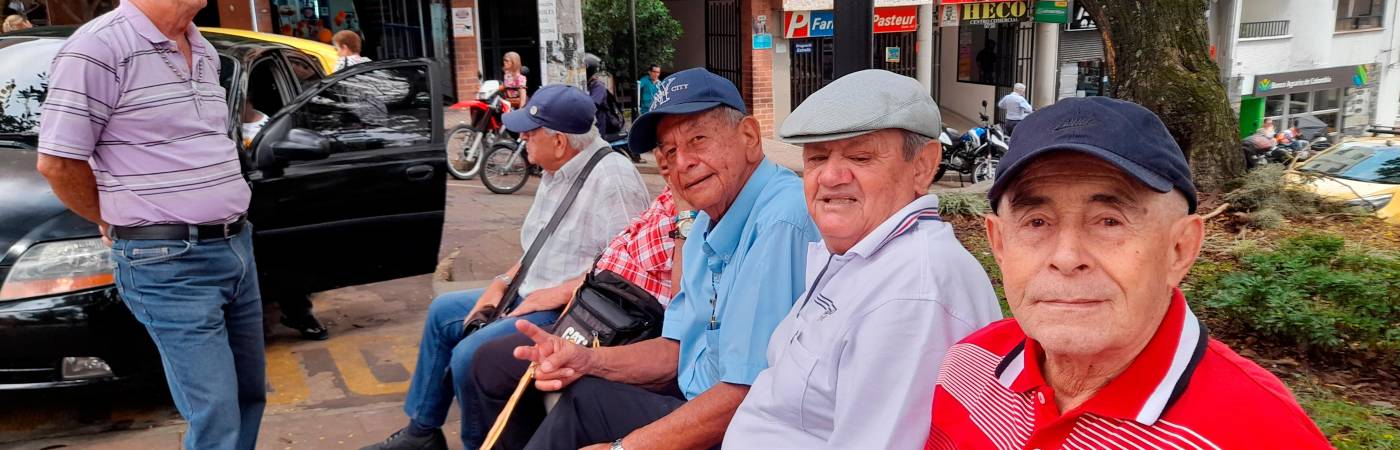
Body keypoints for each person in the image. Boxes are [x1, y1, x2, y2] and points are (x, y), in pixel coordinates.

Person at [924, 97, 1331, 449]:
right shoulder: (967, 365)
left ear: (1180, 249)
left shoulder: (1262, 434)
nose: (1066, 257)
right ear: (998, 242)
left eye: (1109, 221)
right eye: (1036, 222)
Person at [509, 68, 821, 450]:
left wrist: (623, 449)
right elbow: (675, 351)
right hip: (701, 400)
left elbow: (745, 396)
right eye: (670, 151)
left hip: (746, 431)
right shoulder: (705, 220)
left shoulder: (779, 220)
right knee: (574, 390)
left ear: (750, 138)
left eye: (698, 139)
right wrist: (585, 360)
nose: (682, 162)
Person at [723, 70, 1003, 449]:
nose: (831, 176)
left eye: (860, 156)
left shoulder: (912, 291)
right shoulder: (862, 253)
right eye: (817, 157)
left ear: (922, 165)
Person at [361, 84, 651, 450]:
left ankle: (480, 444)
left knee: (470, 355)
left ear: (559, 141)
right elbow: (537, 249)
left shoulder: (613, 180)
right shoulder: (553, 170)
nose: (521, 139)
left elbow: (624, 274)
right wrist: (502, 282)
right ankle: (422, 433)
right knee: (442, 312)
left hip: (570, 312)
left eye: (530, 133)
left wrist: (555, 294)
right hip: (528, 292)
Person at [35, 1, 265, 448]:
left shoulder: (201, 47)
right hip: (168, 260)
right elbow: (58, 162)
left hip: (236, 246)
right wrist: (107, 216)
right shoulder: (97, 48)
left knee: (246, 396)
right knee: (216, 412)